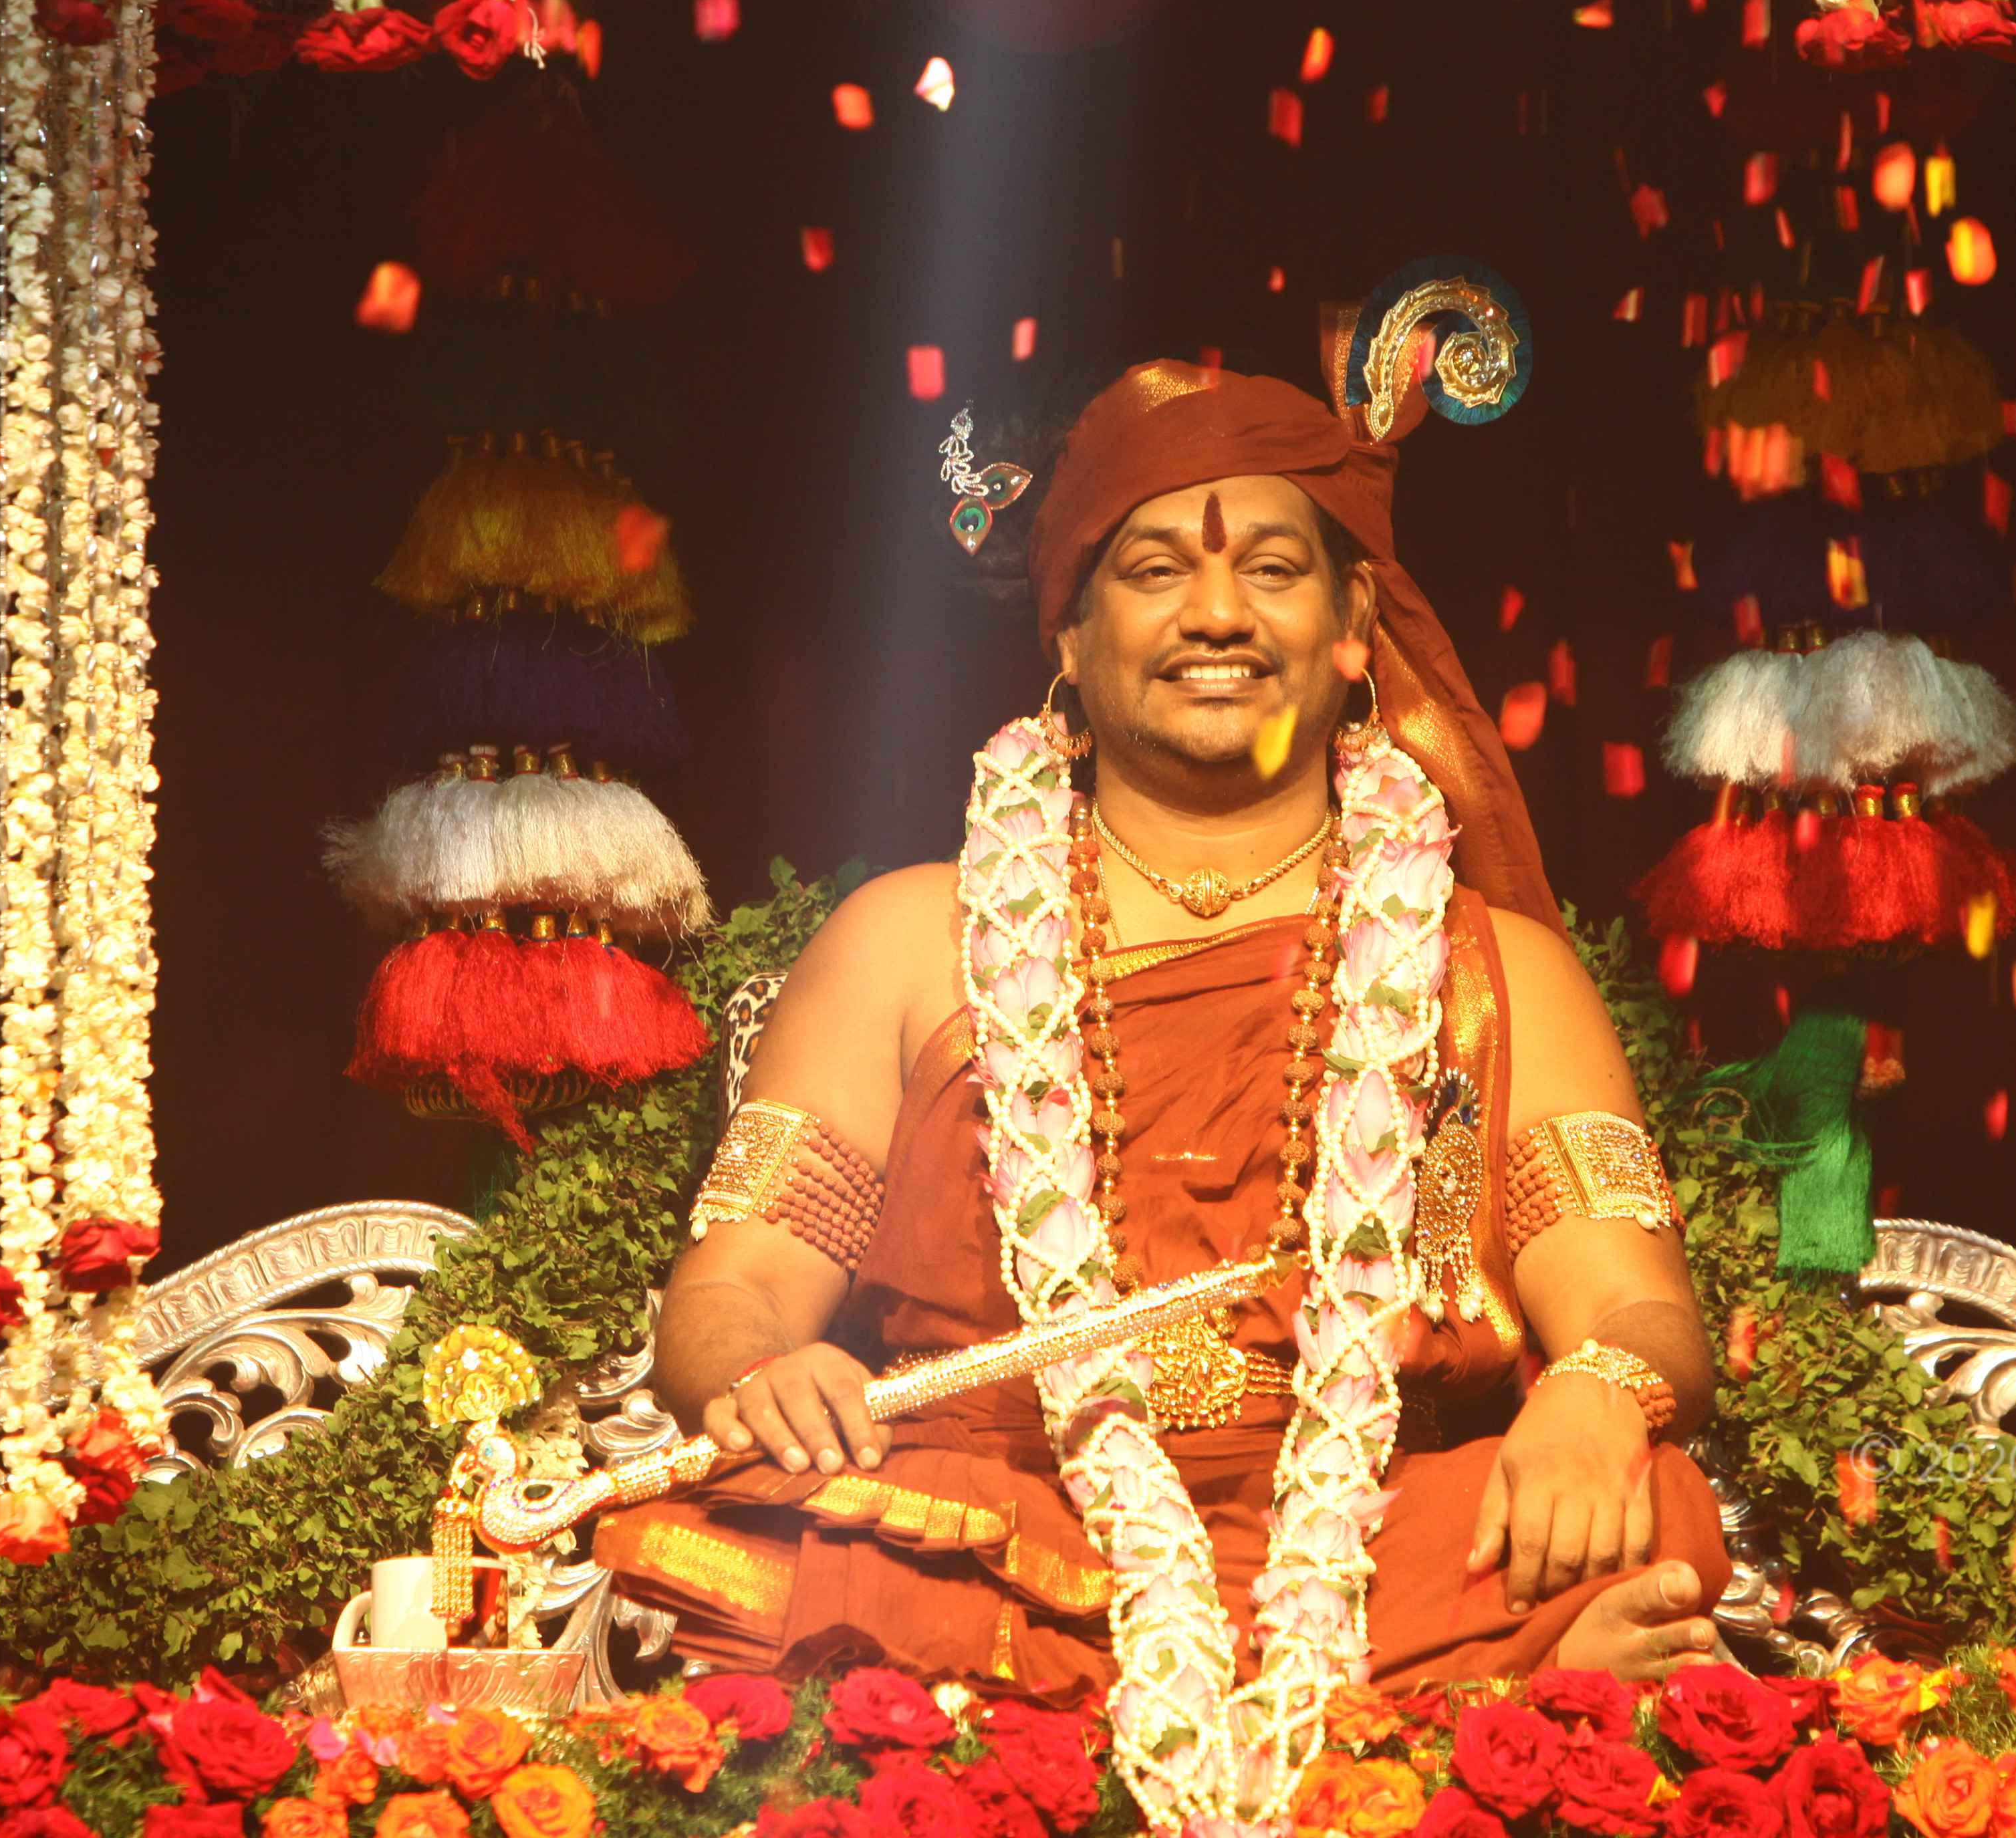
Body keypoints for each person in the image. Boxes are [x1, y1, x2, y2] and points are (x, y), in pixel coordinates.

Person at [595, 353, 1730, 1719]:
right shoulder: (905, 940)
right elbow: (733, 1292)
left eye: (1272, 570)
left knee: (1650, 1501)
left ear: (1354, 624)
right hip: (996, 1524)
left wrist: (1598, 1392)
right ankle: (1465, 1707)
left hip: (1385, 1542)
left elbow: (1636, 1311)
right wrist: (764, 1376)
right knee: (767, 1519)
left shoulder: (1495, 969)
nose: (1218, 614)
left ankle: (1323, 1693)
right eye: (1153, 572)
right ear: (1071, 639)